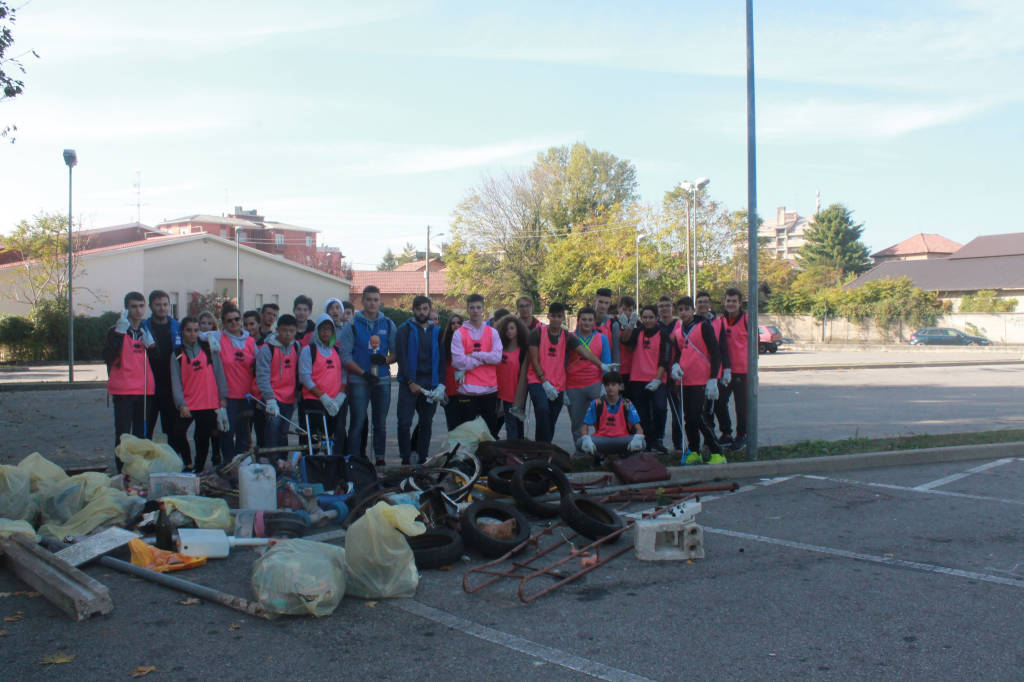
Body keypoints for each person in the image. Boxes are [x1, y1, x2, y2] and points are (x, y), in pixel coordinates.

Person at [526, 302, 610, 443]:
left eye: (559, 316)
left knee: (551, 419)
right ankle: (540, 448)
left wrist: (602, 365)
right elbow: (533, 360)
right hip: (538, 381)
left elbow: (585, 352)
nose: (556, 319)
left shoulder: (567, 336)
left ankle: (545, 449)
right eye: (553, 316)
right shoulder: (537, 333)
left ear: (563, 318)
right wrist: (544, 382)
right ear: (548, 316)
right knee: (542, 411)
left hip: (558, 384)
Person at [340, 285, 397, 466]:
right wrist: (363, 373)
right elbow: (345, 356)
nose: (372, 303)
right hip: (359, 381)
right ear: (362, 301)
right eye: (369, 299)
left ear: (380, 302)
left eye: (375, 299)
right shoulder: (351, 324)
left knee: (380, 423)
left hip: (382, 380)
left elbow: (396, 354)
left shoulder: (388, 323)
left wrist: (385, 360)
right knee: (358, 422)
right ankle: (355, 460)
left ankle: (379, 459)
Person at [103, 291, 159, 469]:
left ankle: (139, 469)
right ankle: (122, 470)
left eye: (141, 306)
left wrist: (151, 346)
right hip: (124, 390)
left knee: (141, 435)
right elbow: (108, 357)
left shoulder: (146, 330)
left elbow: (157, 360)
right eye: (134, 306)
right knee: (123, 435)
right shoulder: (116, 330)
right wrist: (118, 335)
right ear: (126, 308)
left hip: (144, 390)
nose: (138, 310)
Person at [670, 296, 725, 465]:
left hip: (703, 380)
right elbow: (679, 353)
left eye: (687, 309)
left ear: (692, 310)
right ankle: (694, 450)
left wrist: (713, 379)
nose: (684, 313)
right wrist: (675, 366)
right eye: (680, 310)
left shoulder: (704, 326)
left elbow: (716, 353)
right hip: (685, 380)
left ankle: (717, 452)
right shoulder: (678, 331)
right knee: (689, 418)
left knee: (699, 416)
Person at [169, 316, 228, 472]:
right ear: (182, 331)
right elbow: (176, 381)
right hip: (189, 402)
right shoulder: (177, 354)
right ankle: (188, 463)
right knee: (178, 433)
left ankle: (199, 468)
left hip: (208, 401)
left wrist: (222, 396)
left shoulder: (208, 349)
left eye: (196, 330)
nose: (192, 334)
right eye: (189, 330)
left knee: (202, 438)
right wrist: (181, 404)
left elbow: (219, 373)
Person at [395, 296, 446, 465]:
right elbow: (401, 357)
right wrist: (410, 381)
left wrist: (441, 384)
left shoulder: (437, 331)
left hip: (430, 384)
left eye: (425, 309)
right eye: (418, 309)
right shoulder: (404, 329)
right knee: (404, 422)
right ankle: (405, 459)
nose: (422, 312)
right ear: (413, 310)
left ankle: (423, 458)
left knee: (426, 424)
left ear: (430, 309)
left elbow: (443, 358)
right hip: (408, 383)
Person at [450, 293, 503, 435]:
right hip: (467, 391)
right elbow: (458, 362)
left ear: (483, 310)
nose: (475, 310)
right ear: (467, 310)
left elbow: (497, 358)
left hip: (489, 390)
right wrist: (486, 357)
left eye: (478, 307)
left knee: (489, 434)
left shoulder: (493, 332)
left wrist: (474, 354)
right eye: (472, 307)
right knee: (469, 435)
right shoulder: (459, 333)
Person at [622, 305, 672, 452]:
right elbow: (625, 342)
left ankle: (659, 438)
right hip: (637, 379)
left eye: (651, 317)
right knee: (642, 413)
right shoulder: (638, 332)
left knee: (660, 408)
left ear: (656, 318)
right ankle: (648, 441)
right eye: (645, 317)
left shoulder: (663, 335)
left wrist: (657, 379)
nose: (647, 320)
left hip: (657, 380)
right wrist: (628, 326)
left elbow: (665, 358)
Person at [565, 306, 613, 448]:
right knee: (577, 423)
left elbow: (606, 363)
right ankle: (580, 452)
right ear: (578, 321)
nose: (587, 323)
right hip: (573, 385)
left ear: (594, 322)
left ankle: (601, 451)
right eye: (584, 319)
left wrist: (606, 385)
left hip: (595, 385)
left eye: (590, 320)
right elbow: (562, 363)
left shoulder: (602, 338)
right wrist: (562, 389)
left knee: (602, 421)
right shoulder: (570, 338)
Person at [299, 314, 347, 453]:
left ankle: (330, 467)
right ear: (317, 331)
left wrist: (340, 397)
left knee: (331, 440)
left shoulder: (337, 351)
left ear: (333, 332)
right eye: (322, 329)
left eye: (329, 329)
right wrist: (323, 397)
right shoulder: (309, 350)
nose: (326, 332)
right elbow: (305, 378)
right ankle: (309, 467)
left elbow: (343, 377)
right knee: (312, 440)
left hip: (334, 404)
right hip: (314, 402)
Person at [141, 290, 182, 446]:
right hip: (149, 387)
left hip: (171, 386)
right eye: (158, 305)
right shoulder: (143, 327)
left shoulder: (177, 327)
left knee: (171, 430)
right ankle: (143, 463)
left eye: (165, 304)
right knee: (145, 430)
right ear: (151, 306)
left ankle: (172, 463)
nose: (162, 308)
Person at [577, 372, 645, 464]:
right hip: (602, 439)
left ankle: (624, 457)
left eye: (613, 385)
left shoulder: (627, 404)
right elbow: (584, 427)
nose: (610, 388)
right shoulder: (597, 403)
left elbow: (639, 429)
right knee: (580, 442)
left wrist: (637, 438)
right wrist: (586, 438)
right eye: (607, 385)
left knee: (642, 443)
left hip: (622, 439)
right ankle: (599, 456)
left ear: (620, 387)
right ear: (604, 387)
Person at [217, 303, 257, 459]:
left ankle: (242, 466)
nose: (233, 323)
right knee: (227, 434)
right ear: (223, 324)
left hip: (246, 397)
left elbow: (258, 368)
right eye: (229, 321)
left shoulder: (251, 341)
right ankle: (228, 467)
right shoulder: (218, 338)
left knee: (244, 436)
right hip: (228, 397)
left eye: (236, 319)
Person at [255, 314, 301, 449]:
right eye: (284, 330)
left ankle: (282, 463)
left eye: (291, 331)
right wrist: (270, 399)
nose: (287, 334)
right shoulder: (267, 349)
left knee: (283, 433)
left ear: (296, 331)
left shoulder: (296, 347)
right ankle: (272, 463)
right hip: (273, 400)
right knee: (272, 434)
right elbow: (262, 376)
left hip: (290, 400)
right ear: (277, 329)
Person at [714, 288, 749, 451]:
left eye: (734, 301)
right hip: (725, 371)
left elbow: (754, 344)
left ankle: (742, 436)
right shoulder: (720, 321)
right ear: (724, 302)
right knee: (719, 402)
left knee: (741, 406)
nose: (731, 303)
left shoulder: (747, 320)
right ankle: (726, 433)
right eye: (728, 300)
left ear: (740, 303)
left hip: (742, 371)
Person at [495, 314, 529, 440]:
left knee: (512, 427)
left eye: (512, 328)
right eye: (506, 329)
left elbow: (524, 376)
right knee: (492, 425)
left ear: (518, 329)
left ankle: (514, 454)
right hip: (496, 392)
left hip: (513, 394)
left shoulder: (523, 351)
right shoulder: (498, 347)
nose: (509, 331)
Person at [196, 311, 224, 465]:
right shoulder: (195, 342)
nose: (205, 326)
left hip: (216, 388)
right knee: (201, 429)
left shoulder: (216, 341)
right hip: (200, 390)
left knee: (216, 427)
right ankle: (199, 461)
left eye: (209, 323)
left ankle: (216, 455)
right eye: (202, 323)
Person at [440, 313, 464, 431]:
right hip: (449, 389)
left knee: (465, 424)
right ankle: (453, 449)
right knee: (453, 425)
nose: (456, 325)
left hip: (465, 389)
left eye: (458, 323)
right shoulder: (444, 344)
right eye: (453, 323)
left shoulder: (468, 342)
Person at [593, 288, 621, 365]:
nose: (603, 306)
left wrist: (615, 373)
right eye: (600, 302)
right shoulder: (584, 321)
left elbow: (616, 353)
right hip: (588, 370)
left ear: (609, 304)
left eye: (606, 303)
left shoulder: (614, 325)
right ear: (595, 301)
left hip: (606, 369)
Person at [616, 295, 638, 386]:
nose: (627, 313)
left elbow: (631, 346)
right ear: (619, 309)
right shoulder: (613, 323)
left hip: (633, 369)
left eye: (630, 310)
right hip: (617, 368)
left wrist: (631, 327)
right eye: (624, 309)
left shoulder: (637, 325)